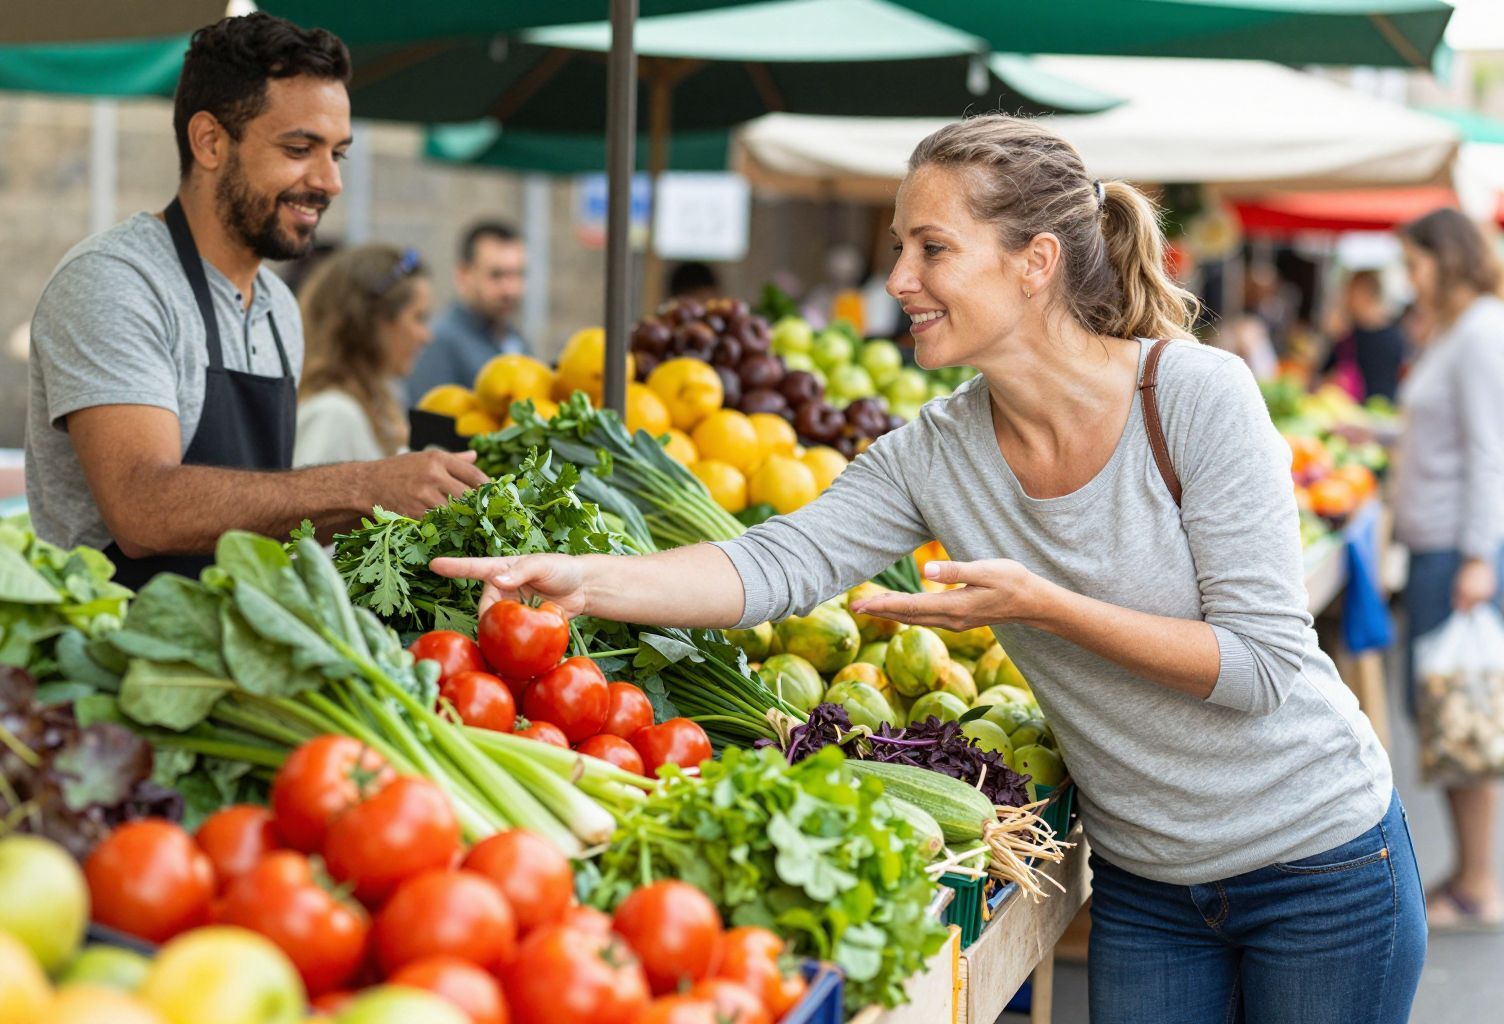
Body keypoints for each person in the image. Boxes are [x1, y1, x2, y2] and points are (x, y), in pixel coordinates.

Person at [433, 115, 1422, 1023]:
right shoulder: (937, 450)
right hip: (1149, 887)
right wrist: (583, 580)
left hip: (1320, 867)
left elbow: (1259, 666)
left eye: (931, 248)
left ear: (1035, 263)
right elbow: (774, 563)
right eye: (898, 245)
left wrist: (1046, 606)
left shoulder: (1198, 397)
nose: (898, 277)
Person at [23, 13, 486, 589]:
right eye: (299, 148)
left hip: (237, 650)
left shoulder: (276, 307)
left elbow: (265, 514)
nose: (330, 182)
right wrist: (363, 485)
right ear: (210, 141)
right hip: (110, 656)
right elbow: (143, 510)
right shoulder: (115, 281)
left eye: (337, 154)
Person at [1393, 207, 1504, 932]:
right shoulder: (1462, 329)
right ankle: (1468, 873)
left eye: (1415, 263)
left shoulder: (1481, 333)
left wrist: (1478, 557)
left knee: (1462, 710)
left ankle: (1480, 885)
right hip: (1443, 542)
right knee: (1444, 711)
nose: (1408, 278)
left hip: (1459, 548)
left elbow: (1487, 454)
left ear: (1448, 259)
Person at [294, 245, 432, 465]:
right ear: (376, 323)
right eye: (418, 318)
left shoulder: (378, 404)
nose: (426, 336)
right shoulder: (333, 414)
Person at [403, 220, 527, 405]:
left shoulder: (515, 339)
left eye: (518, 274)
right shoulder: (438, 342)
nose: (510, 289)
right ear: (463, 274)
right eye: (497, 275)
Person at [1320, 270, 1407, 402]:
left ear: (1364, 294)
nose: (1346, 299)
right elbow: (1325, 374)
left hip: (1379, 414)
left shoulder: (1393, 338)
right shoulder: (1347, 335)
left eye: (1350, 293)